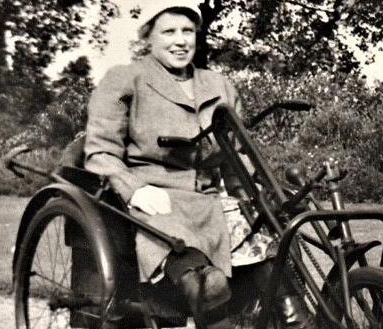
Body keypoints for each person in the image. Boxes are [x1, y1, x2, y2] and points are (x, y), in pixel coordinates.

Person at [83, 2, 312, 328]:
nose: (180, 40)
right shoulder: (125, 79)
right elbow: (100, 152)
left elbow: (236, 155)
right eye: (169, 31)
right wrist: (134, 190)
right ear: (149, 36)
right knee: (207, 286)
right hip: (158, 200)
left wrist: (254, 192)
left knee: (273, 251)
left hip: (213, 198)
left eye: (187, 31)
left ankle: (299, 322)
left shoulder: (218, 85)